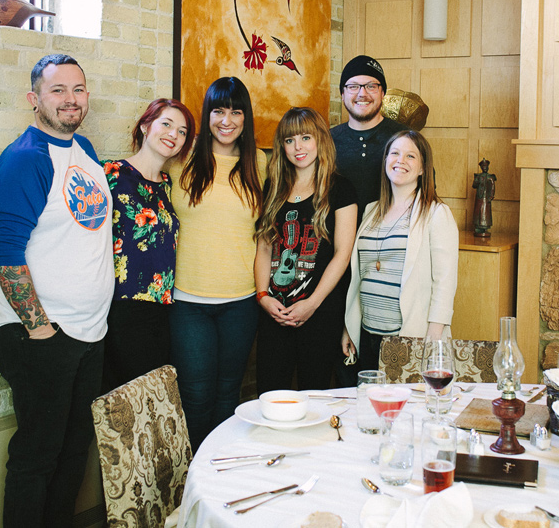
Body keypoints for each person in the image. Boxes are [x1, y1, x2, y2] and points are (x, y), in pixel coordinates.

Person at [0, 54, 114, 528]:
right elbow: (5, 253)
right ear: (33, 98)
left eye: (78, 89)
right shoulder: (24, 160)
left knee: (72, 452)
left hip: (88, 334)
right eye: (57, 90)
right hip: (42, 334)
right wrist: (39, 328)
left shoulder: (85, 152)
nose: (70, 99)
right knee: (37, 457)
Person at [169, 76, 266, 451]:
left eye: (236, 111)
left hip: (240, 302)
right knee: (195, 397)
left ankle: (220, 471)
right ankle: (194, 483)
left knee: (229, 395)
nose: (227, 120)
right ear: (207, 114)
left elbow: (267, 234)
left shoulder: (259, 163)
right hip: (189, 302)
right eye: (219, 110)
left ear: (246, 117)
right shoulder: (183, 158)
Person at [254, 107, 358, 392]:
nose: (298, 147)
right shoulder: (273, 187)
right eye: (289, 141)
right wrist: (263, 296)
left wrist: (311, 304)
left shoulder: (341, 189)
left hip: (320, 313)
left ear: (320, 140)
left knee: (315, 395)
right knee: (270, 395)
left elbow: (343, 254)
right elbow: (264, 247)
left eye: (305, 138)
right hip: (275, 312)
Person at [99, 98, 195, 394]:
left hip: (162, 309)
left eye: (182, 132)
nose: (173, 135)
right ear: (145, 126)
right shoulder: (110, 174)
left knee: (154, 400)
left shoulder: (168, 184)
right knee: (127, 399)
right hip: (122, 306)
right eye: (166, 124)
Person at [342, 130, 458, 370]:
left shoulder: (436, 213)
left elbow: (445, 281)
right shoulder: (371, 211)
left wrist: (434, 336)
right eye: (394, 153)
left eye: (410, 156)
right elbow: (361, 276)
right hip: (367, 334)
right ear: (386, 161)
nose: (400, 161)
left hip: (410, 336)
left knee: (406, 407)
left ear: (423, 168)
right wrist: (349, 326)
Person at [331, 55, 408, 221]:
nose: (362, 93)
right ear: (342, 94)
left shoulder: (405, 139)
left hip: (390, 241)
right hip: (338, 242)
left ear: (382, 93)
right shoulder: (326, 141)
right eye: (353, 86)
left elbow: (425, 195)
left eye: (371, 86)